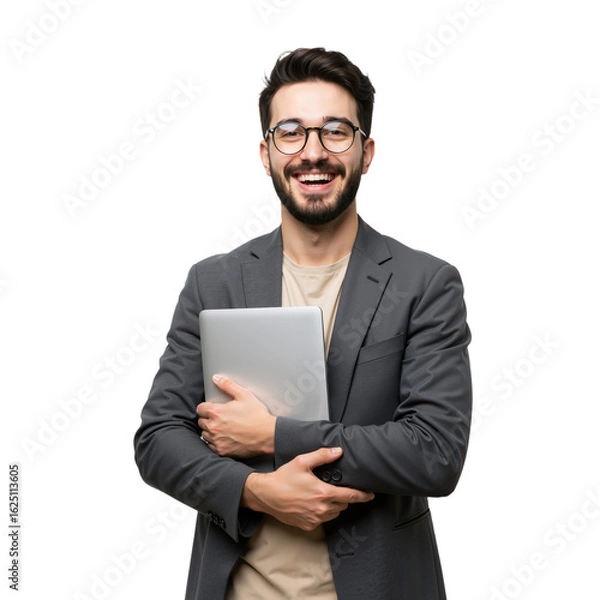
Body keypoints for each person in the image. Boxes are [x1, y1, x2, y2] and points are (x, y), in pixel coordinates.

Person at [134, 47, 472, 600]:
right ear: (265, 153)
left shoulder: (425, 284)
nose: (312, 153)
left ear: (366, 151)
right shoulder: (213, 283)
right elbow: (158, 439)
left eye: (335, 132)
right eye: (290, 132)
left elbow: (434, 452)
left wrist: (274, 436)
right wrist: (256, 491)